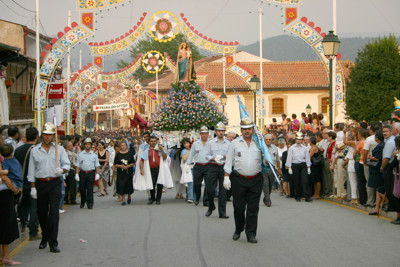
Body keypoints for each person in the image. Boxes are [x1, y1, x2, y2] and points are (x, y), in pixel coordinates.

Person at [27, 122, 70, 253]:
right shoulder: (35, 150)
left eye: (50, 135)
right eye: (45, 135)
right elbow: (31, 170)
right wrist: (33, 187)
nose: (47, 137)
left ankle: (53, 242)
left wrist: (61, 170)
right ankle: (45, 236)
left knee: (54, 214)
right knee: (41, 212)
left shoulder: (59, 149)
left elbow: (67, 165)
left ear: (53, 136)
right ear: (42, 135)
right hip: (40, 183)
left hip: (54, 182)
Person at [223, 116, 263, 243]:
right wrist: (226, 177)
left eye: (249, 128)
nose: (247, 131)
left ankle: (251, 233)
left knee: (253, 208)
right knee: (239, 207)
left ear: (253, 129)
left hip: (256, 179)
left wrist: (267, 160)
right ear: (241, 129)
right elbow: (229, 160)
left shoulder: (259, 142)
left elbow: (266, 158)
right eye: (244, 129)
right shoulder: (234, 143)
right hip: (239, 179)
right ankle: (239, 228)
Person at [14, 127, 41, 241]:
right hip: (34, 182)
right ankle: (33, 231)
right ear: (36, 137)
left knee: (24, 203)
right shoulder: (37, 150)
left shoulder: (18, 150)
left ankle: (23, 223)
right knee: (34, 207)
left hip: (21, 182)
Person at [0, 143, 22, 265]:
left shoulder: (5, 162)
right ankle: (6, 256)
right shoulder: (8, 163)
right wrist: (15, 190)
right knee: (6, 225)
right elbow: (6, 178)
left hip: (5, 195)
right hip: (5, 195)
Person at [205, 122, 230, 218]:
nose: (221, 133)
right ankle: (211, 206)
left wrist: (225, 156)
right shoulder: (210, 143)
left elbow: (231, 155)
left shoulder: (228, 143)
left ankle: (222, 212)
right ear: (216, 132)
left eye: (223, 131)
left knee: (223, 191)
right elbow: (206, 155)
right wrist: (214, 158)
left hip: (223, 167)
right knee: (210, 189)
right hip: (213, 166)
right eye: (219, 131)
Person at [140, 136, 172, 205]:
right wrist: (141, 169)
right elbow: (142, 160)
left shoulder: (159, 149)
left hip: (159, 169)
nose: (153, 142)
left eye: (154, 141)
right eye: (152, 141)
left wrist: (162, 150)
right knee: (152, 184)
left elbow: (164, 158)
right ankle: (152, 198)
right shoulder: (147, 151)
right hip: (151, 169)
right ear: (149, 142)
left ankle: (158, 199)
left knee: (160, 184)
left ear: (156, 142)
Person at [285, 132, 312, 202]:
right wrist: (289, 167)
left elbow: (307, 158)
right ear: (296, 139)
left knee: (305, 181)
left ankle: (306, 196)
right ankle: (297, 196)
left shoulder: (305, 148)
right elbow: (289, 158)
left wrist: (308, 167)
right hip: (295, 165)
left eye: (300, 139)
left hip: (303, 165)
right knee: (296, 181)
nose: (299, 140)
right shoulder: (292, 148)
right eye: (297, 139)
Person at [187, 126, 210, 206]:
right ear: (200, 134)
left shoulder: (210, 143)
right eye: (203, 134)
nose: (204, 135)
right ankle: (197, 197)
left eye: (206, 134)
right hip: (198, 166)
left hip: (208, 165)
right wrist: (188, 163)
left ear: (208, 134)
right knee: (197, 184)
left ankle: (206, 200)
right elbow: (191, 153)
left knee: (208, 184)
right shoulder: (196, 144)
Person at [75, 138, 100, 210]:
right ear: (84, 145)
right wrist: (76, 174)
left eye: (89, 144)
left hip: (91, 173)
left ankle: (90, 203)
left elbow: (97, 165)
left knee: (90, 189)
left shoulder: (94, 155)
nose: (87, 145)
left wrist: (97, 173)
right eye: (86, 144)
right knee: (82, 189)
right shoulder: (80, 154)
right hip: (82, 172)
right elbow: (78, 165)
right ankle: (83, 201)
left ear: (91, 145)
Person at [367, 130, 385, 215]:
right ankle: (377, 206)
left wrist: (372, 157)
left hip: (377, 169)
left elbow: (378, 158)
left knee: (379, 188)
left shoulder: (381, 146)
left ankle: (383, 203)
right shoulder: (380, 145)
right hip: (376, 169)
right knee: (378, 189)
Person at [262, 134, 280, 207]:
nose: (268, 141)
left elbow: (278, 159)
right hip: (263, 168)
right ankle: (268, 201)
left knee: (270, 184)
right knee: (265, 184)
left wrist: (279, 168)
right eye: (266, 139)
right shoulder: (261, 148)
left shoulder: (275, 148)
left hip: (272, 168)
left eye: (270, 139)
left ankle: (266, 197)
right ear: (264, 140)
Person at [180, 138, 194, 203]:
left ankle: (191, 196)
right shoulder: (184, 151)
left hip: (194, 166)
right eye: (184, 144)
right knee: (189, 182)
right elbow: (184, 158)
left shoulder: (194, 149)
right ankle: (190, 197)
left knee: (194, 182)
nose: (186, 145)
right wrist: (189, 151)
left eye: (187, 143)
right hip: (188, 167)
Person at [63, 141, 77, 205]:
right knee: (72, 185)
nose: (72, 147)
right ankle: (72, 199)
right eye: (71, 146)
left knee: (66, 185)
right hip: (70, 170)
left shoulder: (62, 153)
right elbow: (74, 164)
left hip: (63, 171)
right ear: (67, 147)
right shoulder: (72, 154)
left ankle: (65, 199)